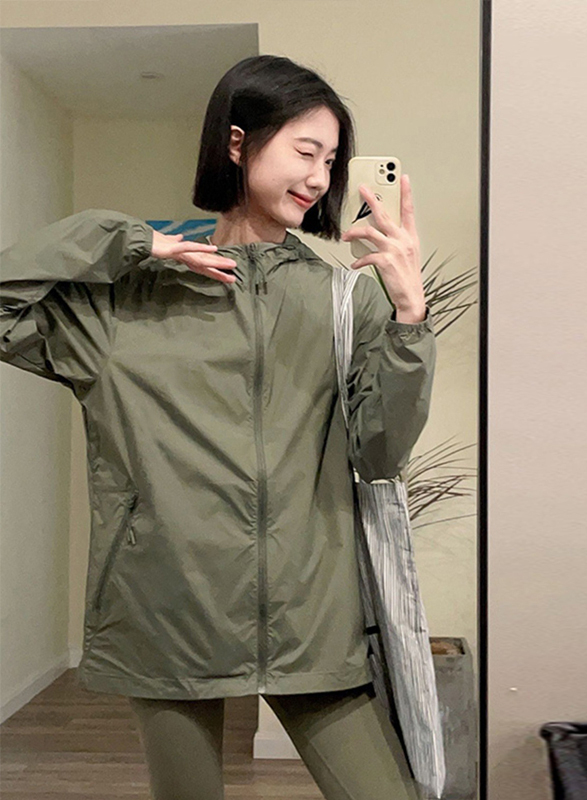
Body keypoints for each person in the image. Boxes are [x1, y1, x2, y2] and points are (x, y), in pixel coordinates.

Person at [0, 54, 436, 800]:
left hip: (310, 617)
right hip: (169, 609)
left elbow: (379, 452)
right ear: (238, 142)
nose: (320, 178)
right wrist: (129, 241)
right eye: (305, 151)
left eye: (332, 161)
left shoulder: (344, 300)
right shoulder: (129, 302)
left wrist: (407, 317)